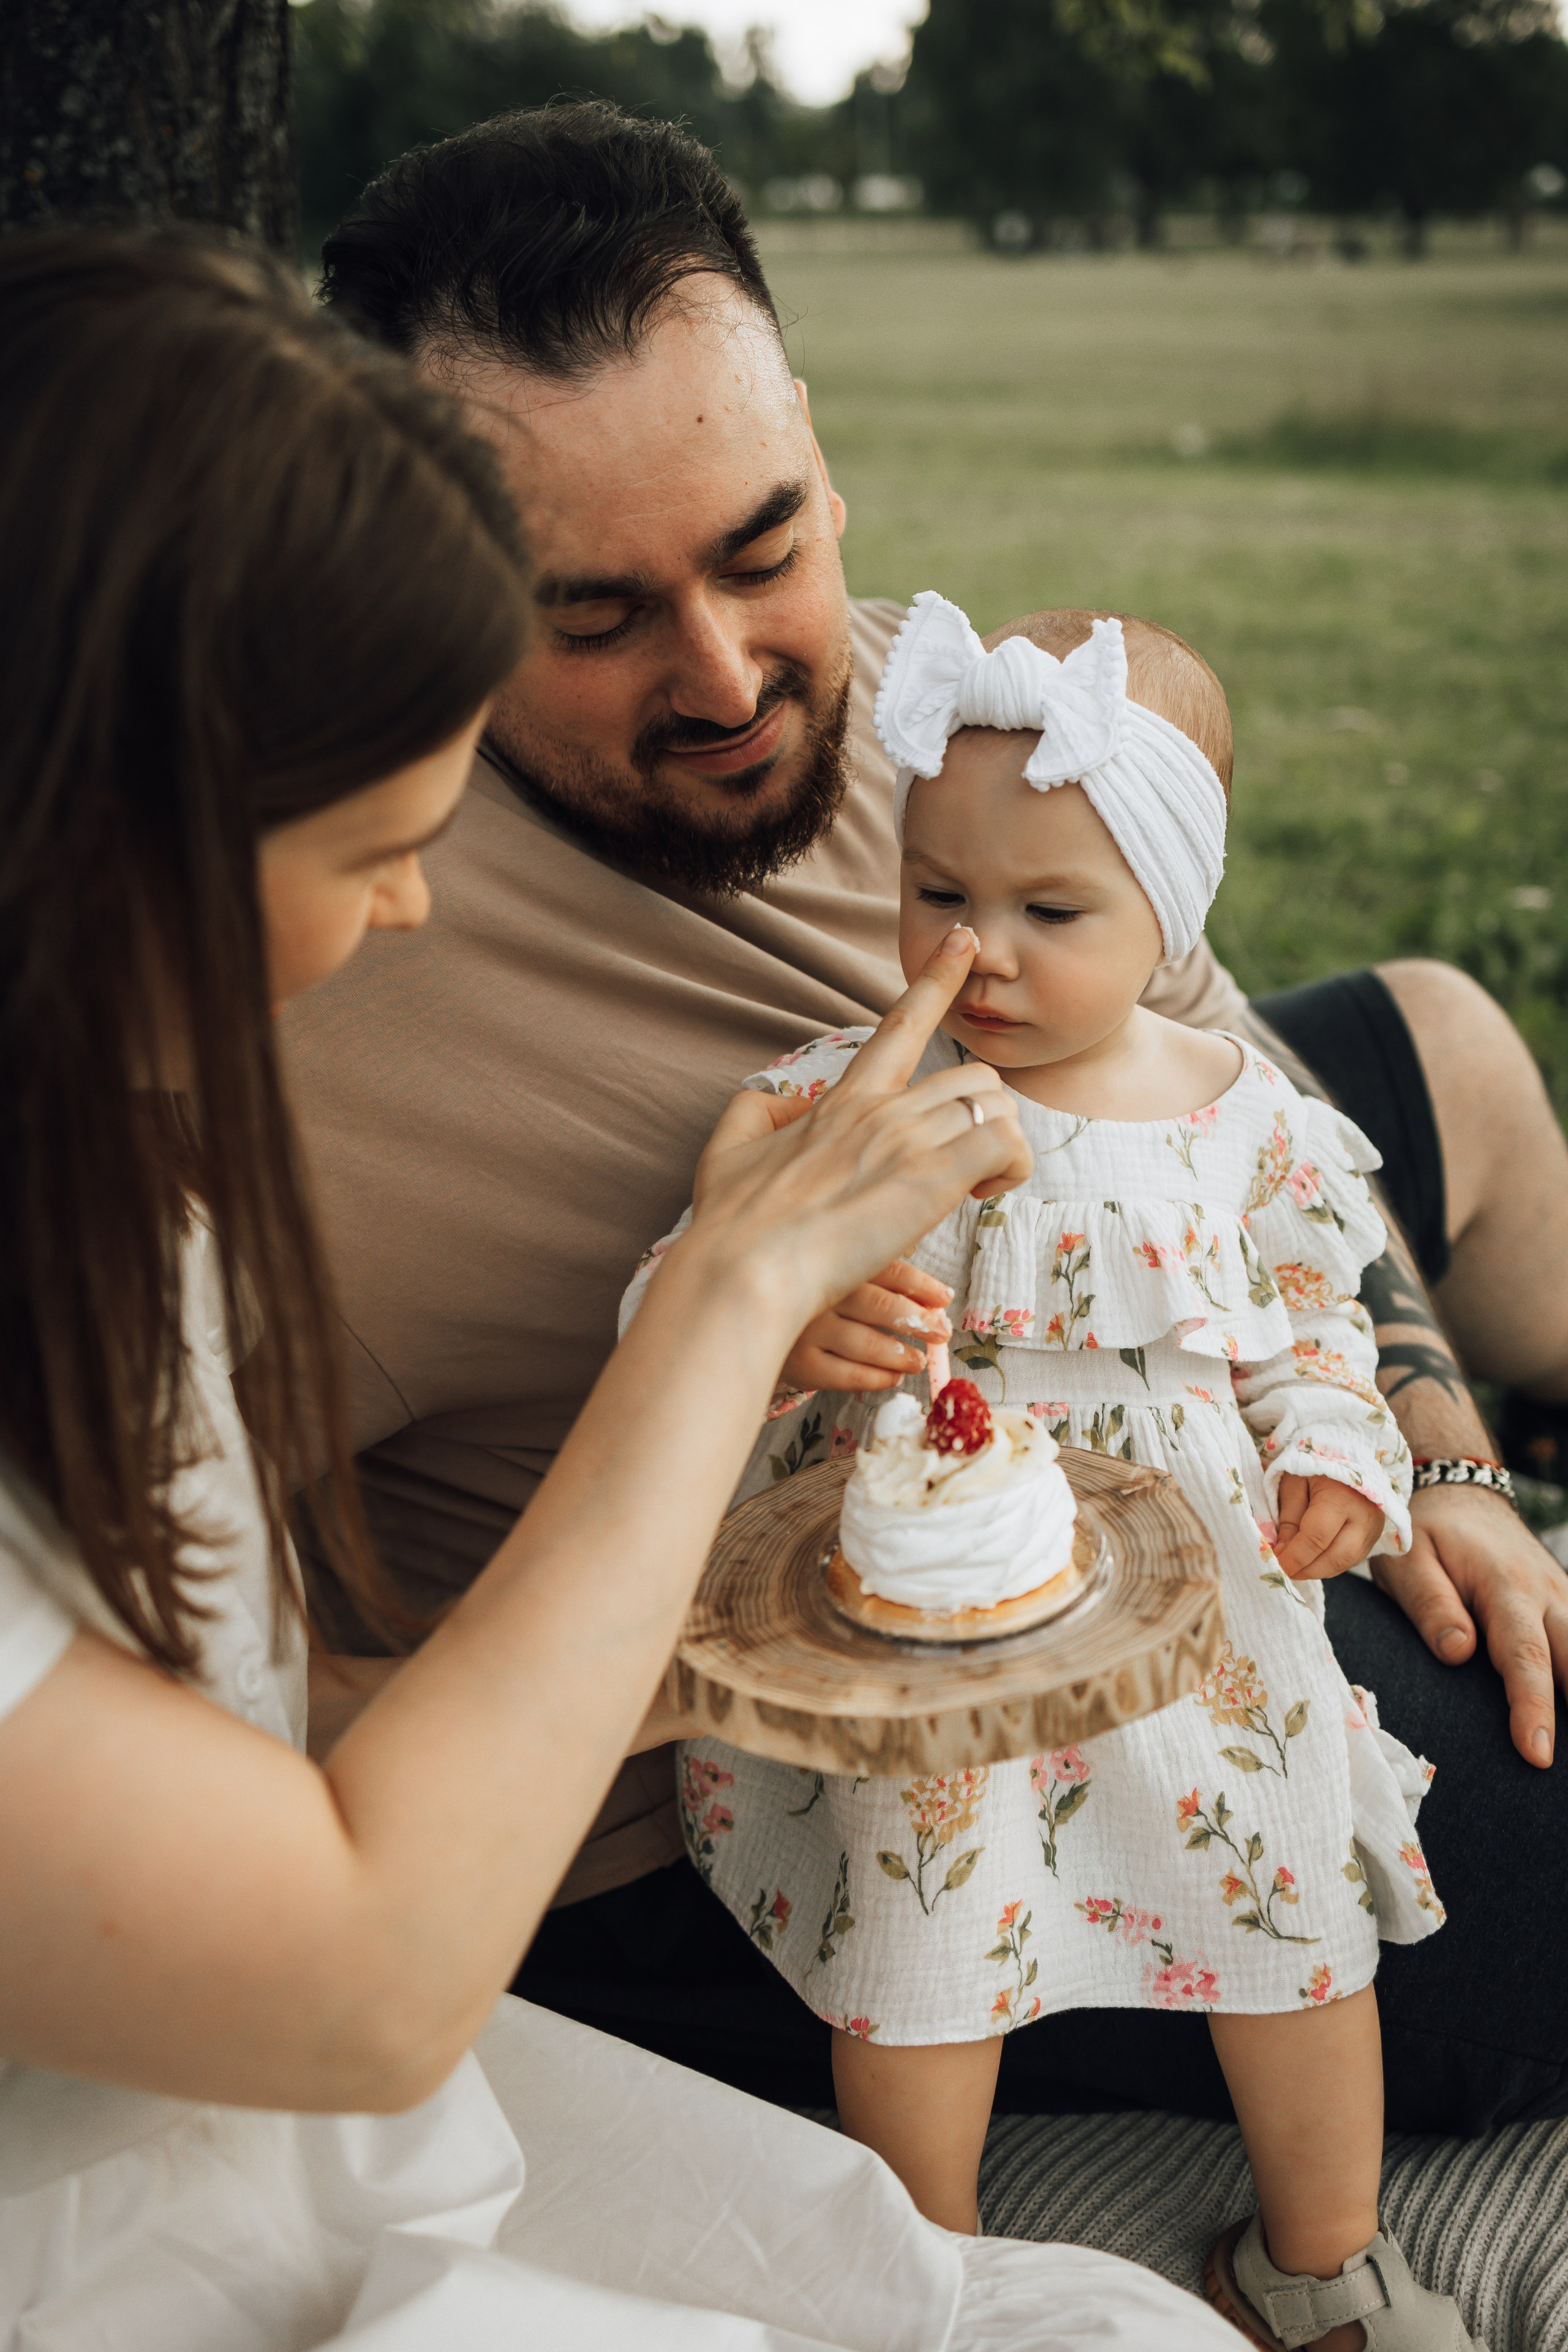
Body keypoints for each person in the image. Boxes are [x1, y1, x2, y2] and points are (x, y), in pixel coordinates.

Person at [0, 227, 1248, 2351]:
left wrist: (738, 1663)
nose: (409, 905)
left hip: (301, 2114)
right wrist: (720, 1307)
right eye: (371, 848)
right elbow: (367, 1974)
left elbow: (234, 1773)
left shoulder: (115, 1168)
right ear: (123, 839)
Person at [285, 102, 1568, 2134]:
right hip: (861, 1781)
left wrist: (1441, 1451)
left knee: (1443, 1035)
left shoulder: (927, 714)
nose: (726, 678)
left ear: (818, 449)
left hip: (1184, 1432)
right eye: (592, 613)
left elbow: (1250, 1090)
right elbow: (235, 1737)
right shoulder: (309, 996)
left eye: (764, 545)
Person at [622, 598, 1486, 2352]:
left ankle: (1321, 2254)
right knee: (923, 1948)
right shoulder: (857, 1094)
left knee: (1295, 1914)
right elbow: (686, 1295)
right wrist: (781, 1317)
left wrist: (1334, 1450)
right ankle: (927, 2275)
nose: (981, 953)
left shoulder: (1248, 1119)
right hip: (928, 1606)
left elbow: (1314, 1320)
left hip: (1202, 1607)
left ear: (1175, 914)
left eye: (1050, 911)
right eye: (941, 893)